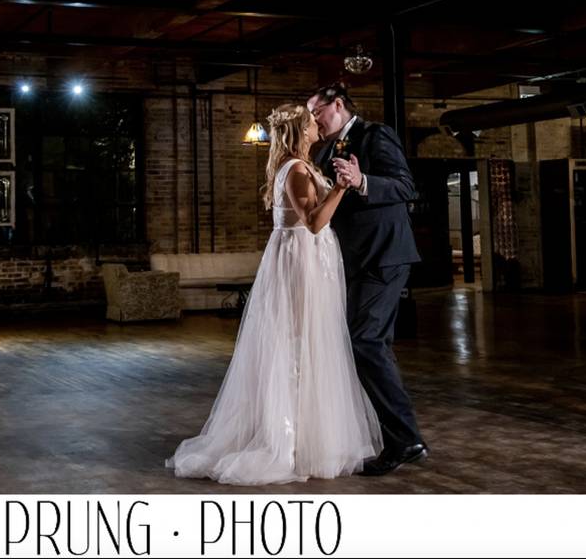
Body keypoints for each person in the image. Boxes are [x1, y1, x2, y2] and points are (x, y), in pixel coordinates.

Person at [165, 104, 382, 485]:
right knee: (298, 346)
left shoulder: (302, 165)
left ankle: (309, 436)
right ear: (300, 131)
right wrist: (344, 189)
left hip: (310, 263)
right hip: (301, 264)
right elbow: (314, 223)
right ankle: (290, 440)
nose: (318, 125)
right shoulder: (297, 170)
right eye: (311, 123)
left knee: (311, 345)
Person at [308, 82, 428, 476]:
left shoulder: (375, 135)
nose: (314, 120)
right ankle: (397, 436)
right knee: (367, 343)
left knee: (365, 340)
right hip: (351, 260)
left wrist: (362, 181)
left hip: (384, 255)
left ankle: (405, 439)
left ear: (337, 105)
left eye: (317, 112)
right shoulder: (324, 149)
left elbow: (406, 187)